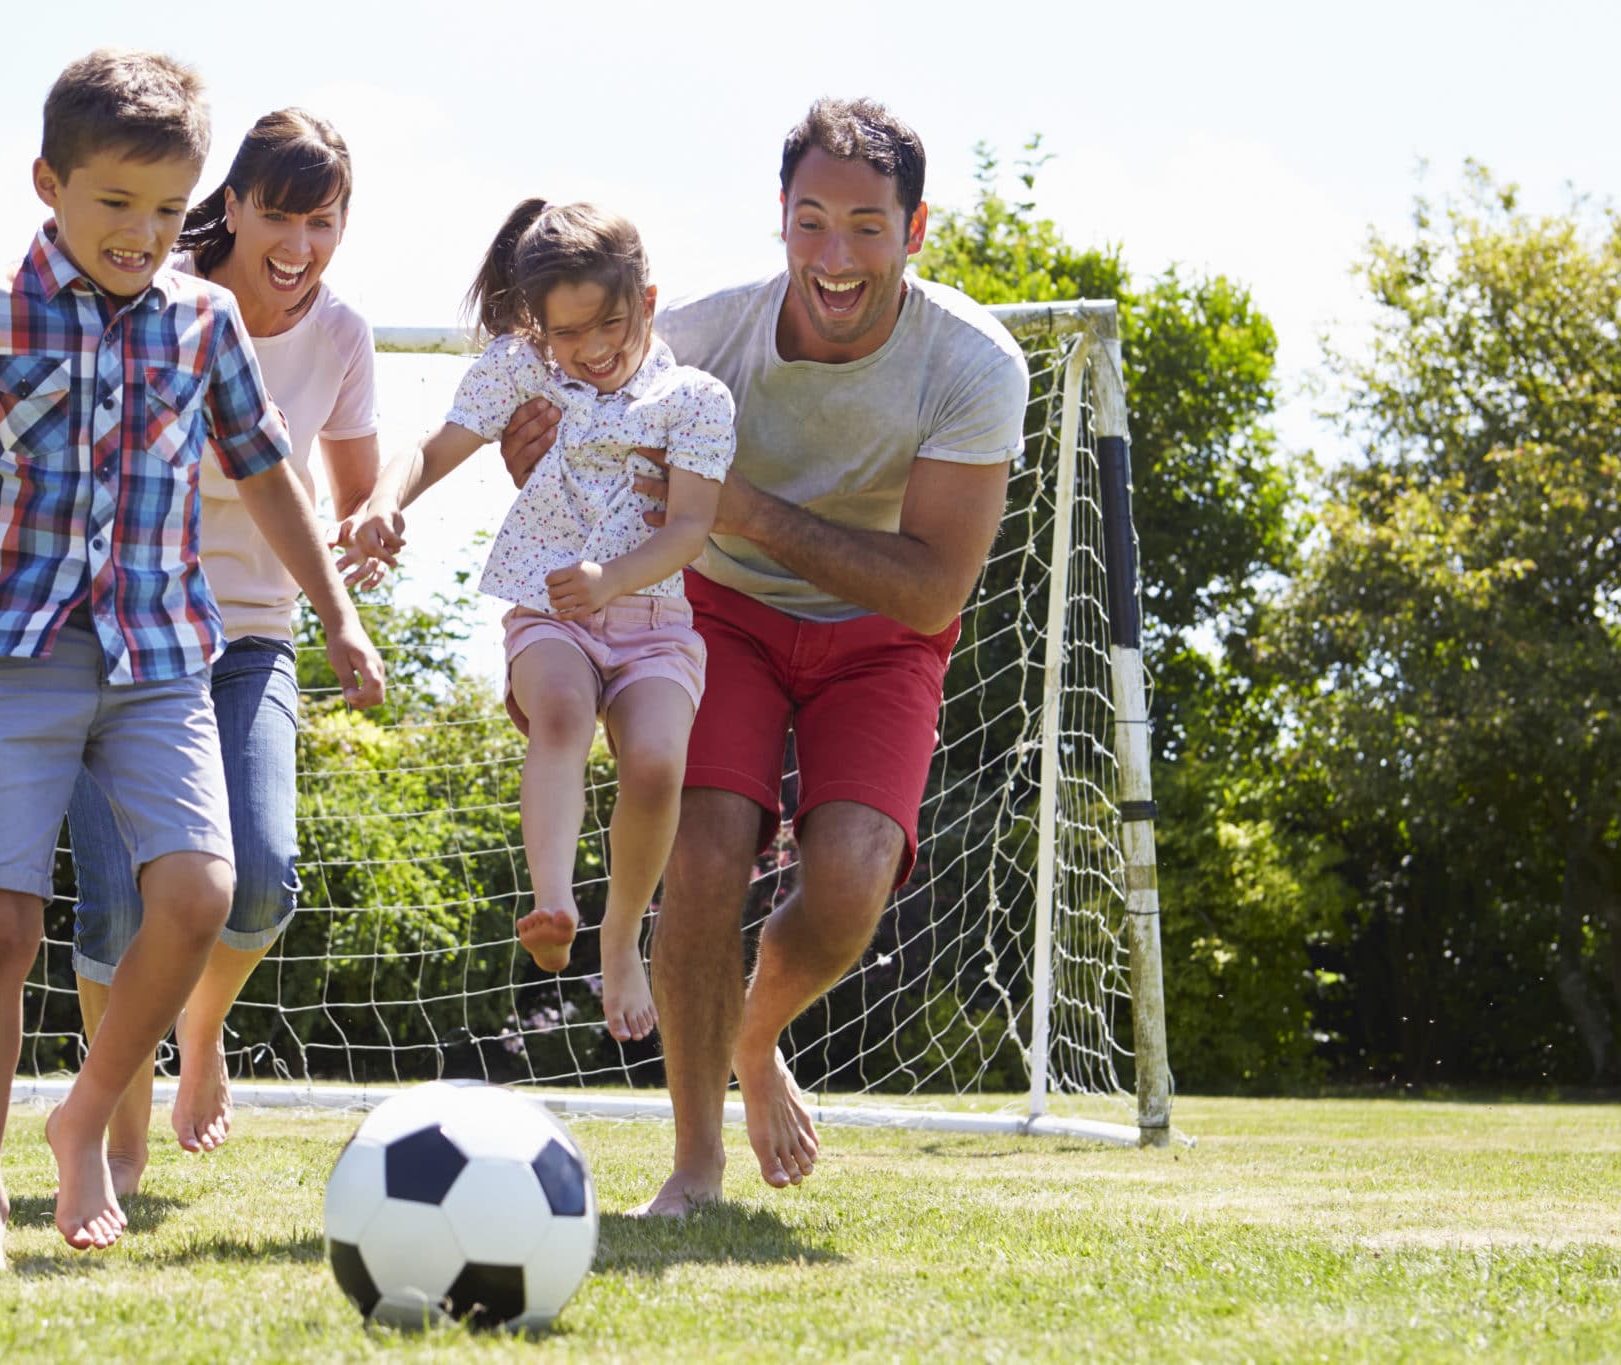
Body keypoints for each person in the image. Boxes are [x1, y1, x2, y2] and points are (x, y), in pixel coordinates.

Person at [0, 51, 384, 1271]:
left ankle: (82, 1112)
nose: (143, 233)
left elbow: (266, 473)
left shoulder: (206, 319)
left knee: (198, 892)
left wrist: (334, 615)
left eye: (169, 211)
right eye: (116, 203)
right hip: (15, 654)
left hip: (160, 656)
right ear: (50, 184)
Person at [499, 99, 1027, 1214]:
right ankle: (693, 1167)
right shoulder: (694, 337)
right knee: (700, 860)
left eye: (865, 228)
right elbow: (585, 489)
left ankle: (750, 1035)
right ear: (779, 219)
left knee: (846, 888)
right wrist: (530, 464)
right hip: (720, 615)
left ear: (913, 230)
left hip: (882, 636)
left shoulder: (973, 364)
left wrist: (744, 508)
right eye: (810, 222)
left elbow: (933, 584)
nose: (834, 258)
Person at [63, 108, 384, 1193]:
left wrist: (373, 530)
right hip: (129, 632)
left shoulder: (339, 336)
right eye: (279, 216)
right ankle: (117, 1110)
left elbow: (348, 491)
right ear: (233, 206)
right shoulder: (156, 296)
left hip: (249, 634)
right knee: (116, 901)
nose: (297, 245)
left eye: (322, 221)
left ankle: (198, 1033)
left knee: (260, 883)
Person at [351, 200, 735, 1043]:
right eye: (569, 334)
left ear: (649, 298)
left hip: (650, 618)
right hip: (550, 611)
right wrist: (384, 498)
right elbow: (435, 446)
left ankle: (622, 933)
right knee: (559, 712)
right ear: (538, 328)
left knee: (657, 762)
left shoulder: (694, 399)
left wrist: (611, 578)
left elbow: (689, 528)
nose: (593, 348)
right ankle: (554, 900)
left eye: (611, 323)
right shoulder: (520, 369)